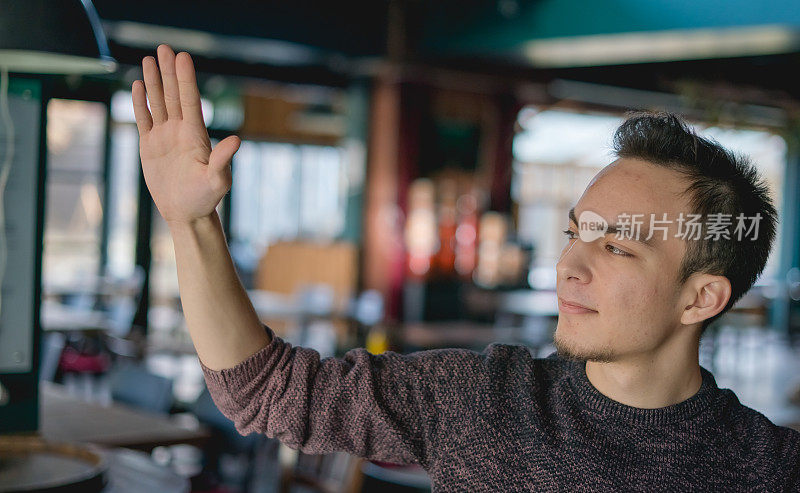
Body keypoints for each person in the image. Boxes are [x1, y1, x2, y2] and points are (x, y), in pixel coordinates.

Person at [133, 44, 800, 492]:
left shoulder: (769, 469)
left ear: (701, 296)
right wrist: (191, 223)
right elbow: (266, 390)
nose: (570, 263)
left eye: (618, 246)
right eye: (575, 232)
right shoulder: (482, 399)